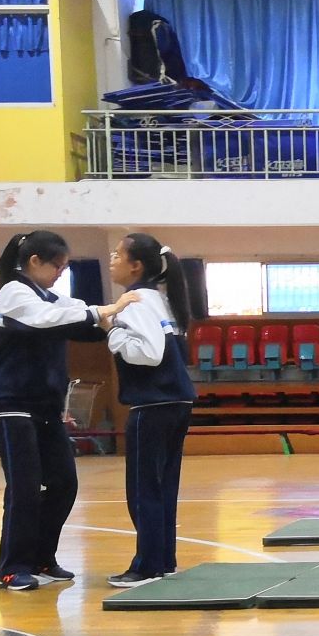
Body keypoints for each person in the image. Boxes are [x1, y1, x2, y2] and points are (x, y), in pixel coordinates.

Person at [0, 231, 132, 591]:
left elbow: (73, 313)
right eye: (57, 266)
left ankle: (42, 557)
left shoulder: (48, 296)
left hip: (44, 407)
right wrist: (101, 311)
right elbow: (47, 319)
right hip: (11, 405)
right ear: (34, 262)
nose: (61, 272)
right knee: (24, 486)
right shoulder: (14, 293)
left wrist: (116, 320)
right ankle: (13, 567)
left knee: (63, 483)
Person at [105, 232, 197, 589]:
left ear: (136, 265)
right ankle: (163, 561)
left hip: (154, 403)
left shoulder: (137, 301)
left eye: (117, 254)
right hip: (176, 400)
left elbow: (149, 353)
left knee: (144, 488)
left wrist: (111, 332)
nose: (112, 260)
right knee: (162, 486)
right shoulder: (158, 298)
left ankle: (145, 566)